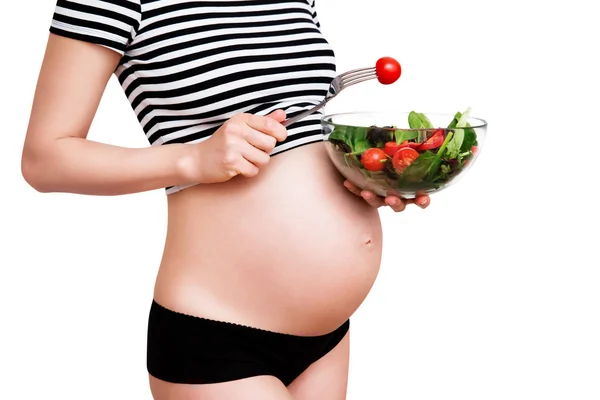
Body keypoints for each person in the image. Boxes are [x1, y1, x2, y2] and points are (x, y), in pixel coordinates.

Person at [21, 1, 430, 399]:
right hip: (220, 335)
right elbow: (44, 159)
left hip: (328, 337)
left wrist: (372, 175)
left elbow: (299, 127)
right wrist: (191, 158)